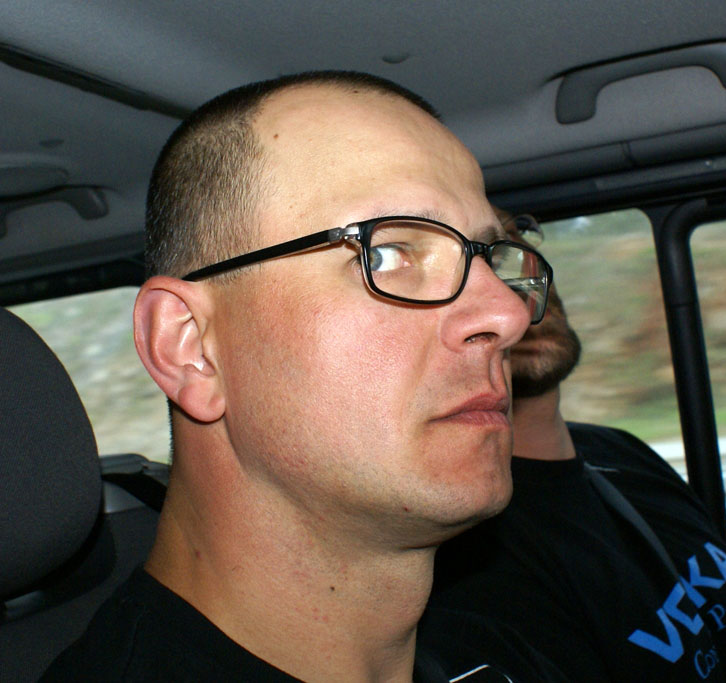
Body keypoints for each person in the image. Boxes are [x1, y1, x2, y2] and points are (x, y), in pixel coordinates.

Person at [42, 72, 567, 682]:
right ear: (189, 348)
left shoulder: (503, 646)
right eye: (387, 253)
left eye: (492, 259)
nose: (506, 313)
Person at [432, 211, 726, 682]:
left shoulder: (619, 450)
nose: (514, 288)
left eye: (515, 245)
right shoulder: (472, 547)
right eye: (481, 265)